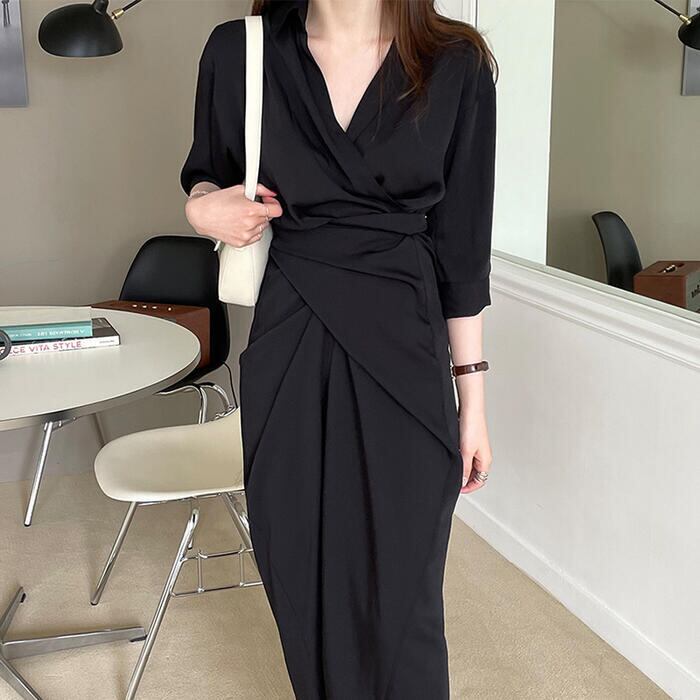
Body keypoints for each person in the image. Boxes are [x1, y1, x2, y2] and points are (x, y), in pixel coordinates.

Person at [180, 1, 496, 697]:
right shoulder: (240, 51)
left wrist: (472, 400)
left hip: (407, 350)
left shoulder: (458, 63)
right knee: (300, 567)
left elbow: (463, 252)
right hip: (292, 335)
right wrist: (201, 209)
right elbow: (207, 174)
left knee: (405, 593)